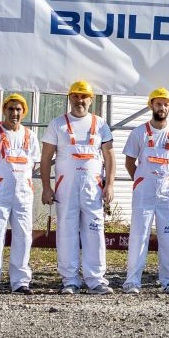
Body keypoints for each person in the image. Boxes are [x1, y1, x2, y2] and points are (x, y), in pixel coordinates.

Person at [41, 80, 114, 294]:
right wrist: (46, 187)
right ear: (69, 98)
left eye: (84, 97)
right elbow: (46, 158)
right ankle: (70, 279)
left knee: (94, 229)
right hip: (66, 187)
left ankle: (95, 279)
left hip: (93, 187)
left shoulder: (100, 123)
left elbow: (109, 155)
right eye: (75, 96)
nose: (79, 100)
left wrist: (109, 184)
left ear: (91, 100)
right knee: (66, 230)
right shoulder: (57, 124)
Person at [122, 87, 169, 294]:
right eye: (158, 103)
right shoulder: (139, 132)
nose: (162, 107)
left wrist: (168, 181)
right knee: (138, 235)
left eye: (166, 104)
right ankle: (132, 281)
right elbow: (129, 163)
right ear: (151, 105)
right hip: (144, 192)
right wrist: (141, 180)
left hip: (168, 194)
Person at [0, 93, 39, 295]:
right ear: (4, 110)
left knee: (23, 236)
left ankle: (20, 282)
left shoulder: (31, 136)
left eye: (18, 109)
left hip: (23, 194)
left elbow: (34, 164)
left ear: (24, 112)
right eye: (11, 109)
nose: (14, 113)